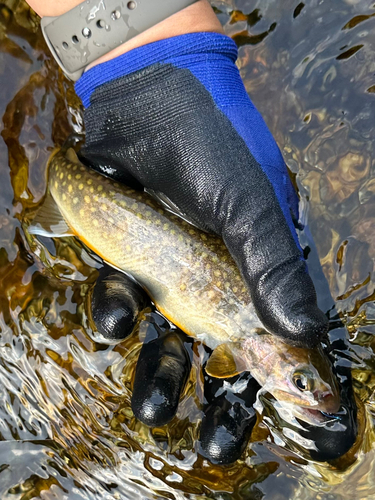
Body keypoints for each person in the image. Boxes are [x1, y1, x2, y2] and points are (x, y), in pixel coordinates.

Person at [25, 0, 356, 463]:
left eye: (302, 387)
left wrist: (134, 42)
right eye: (299, 383)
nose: (304, 394)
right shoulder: (247, 345)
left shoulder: (242, 350)